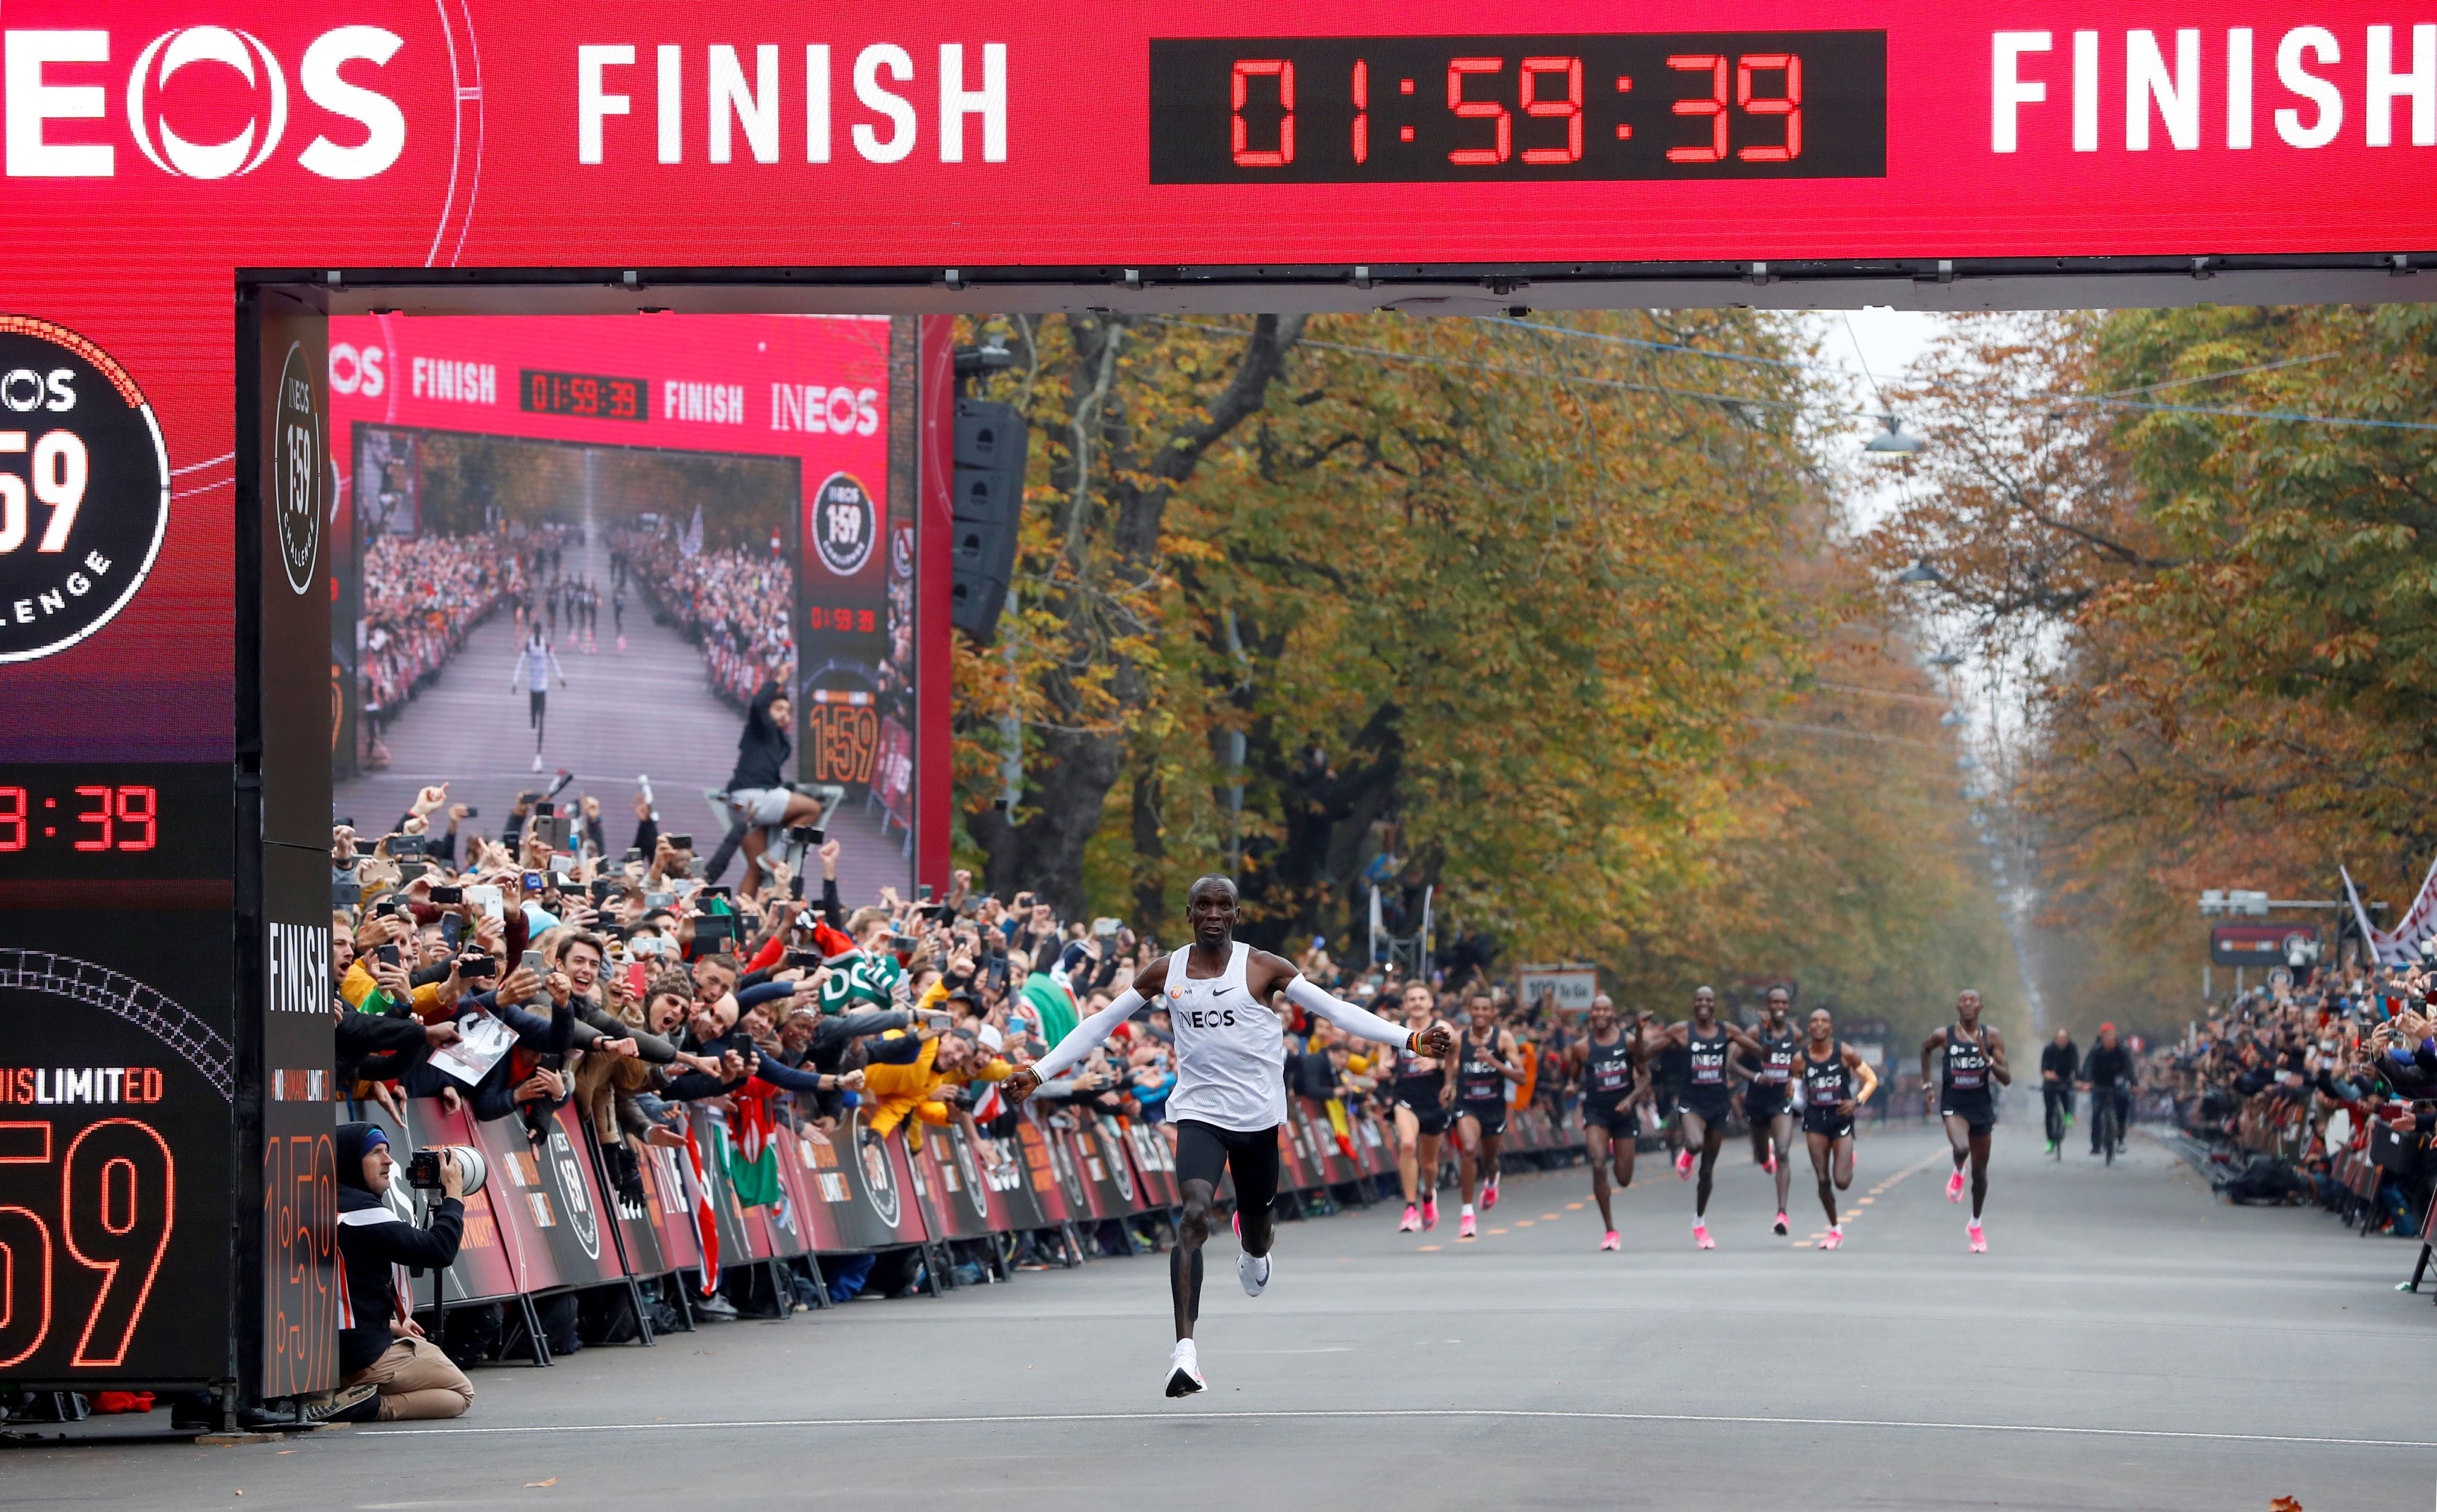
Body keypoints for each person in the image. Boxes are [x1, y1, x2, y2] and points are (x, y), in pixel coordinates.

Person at [1002, 874, 1452, 1399]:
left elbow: (1336, 1011)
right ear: (1189, 914)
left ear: (1237, 914)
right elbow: (1099, 1023)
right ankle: (1184, 1354)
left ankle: (1254, 1248)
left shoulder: (1263, 966)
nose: (1214, 914)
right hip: (1199, 1113)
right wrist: (1039, 1071)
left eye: (1224, 906)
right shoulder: (1165, 971)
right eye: (1203, 906)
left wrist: (1410, 1039)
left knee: (1258, 1233)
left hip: (1259, 1119)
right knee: (1193, 1214)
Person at [334, 1122, 476, 1421]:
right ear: (349, 1161)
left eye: (388, 1151)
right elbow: (439, 1250)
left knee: (425, 1352)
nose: (389, 1161)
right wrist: (453, 1193)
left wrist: (389, 1324)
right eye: (376, 1153)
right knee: (461, 1394)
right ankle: (365, 1405)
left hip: (331, 1348)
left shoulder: (326, 1203)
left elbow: (348, 1286)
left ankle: (352, 1394)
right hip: (364, 1355)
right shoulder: (361, 1212)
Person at [1642, 986, 1764, 1249]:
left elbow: (1758, 1051)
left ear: (1715, 1005)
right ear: (1693, 1004)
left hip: (1719, 1102)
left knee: (1707, 1171)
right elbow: (1645, 1054)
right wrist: (1641, 1029)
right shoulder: (1680, 1031)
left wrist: (1764, 1031)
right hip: (1691, 1101)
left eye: (1709, 1000)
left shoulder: (1728, 1031)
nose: (1704, 1004)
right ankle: (1686, 1157)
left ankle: (1699, 1222)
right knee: (1695, 1144)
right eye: (1700, 1000)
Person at [1921, 989, 2011, 1252]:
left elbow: (2007, 1079)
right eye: (1963, 1000)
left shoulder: (1992, 1036)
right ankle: (1958, 1170)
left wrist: (1988, 1059)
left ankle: (1975, 1223)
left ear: (1981, 1007)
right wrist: (1928, 1086)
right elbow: (1925, 1050)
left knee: (1980, 1173)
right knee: (1962, 1148)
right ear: (1958, 1007)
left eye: (1973, 1000)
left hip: (1981, 1107)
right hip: (1954, 1104)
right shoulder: (1944, 1035)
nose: (1968, 1004)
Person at [1790, 1008, 1877, 1250]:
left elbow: (1871, 1079)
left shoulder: (1845, 1053)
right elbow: (1796, 1095)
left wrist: (1857, 1101)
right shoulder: (1800, 1059)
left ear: (1831, 1028)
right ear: (1809, 1028)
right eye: (1814, 1021)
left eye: (1824, 1021)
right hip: (1816, 1121)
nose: (1819, 1025)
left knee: (1842, 1182)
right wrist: (1797, 1104)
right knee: (1822, 1178)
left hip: (1841, 1119)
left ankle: (1847, 1158)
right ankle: (1835, 1229)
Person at [1570, 993, 1647, 1252]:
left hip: (1624, 1114)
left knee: (1624, 1178)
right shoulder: (1581, 1047)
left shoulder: (1628, 1041)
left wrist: (1631, 1099)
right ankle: (1610, 1230)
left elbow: (1646, 1077)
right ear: (1590, 1015)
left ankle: (1617, 1153)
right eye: (1597, 1010)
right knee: (1598, 1163)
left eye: (1606, 1010)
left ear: (1613, 1014)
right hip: (1597, 1113)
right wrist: (1571, 1087)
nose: (1601, 1015)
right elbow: (1573, 1078)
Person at [1450, 991, 1524, 1241]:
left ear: (1493, 1013)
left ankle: (1492, 1180)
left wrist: (1494, 1062)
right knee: (1469, 1149)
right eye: (1476, 1009)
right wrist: (1447, 1083)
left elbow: (1521, 1076)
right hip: (1467, 1104)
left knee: (1490, 1160)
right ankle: (1467, 1214)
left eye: (1485, 1009)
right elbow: (1450, 1057)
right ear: (1469, 1011)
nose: (1480, 1013)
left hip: (1493, 1107)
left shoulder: (1504, 1039)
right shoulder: (1460, 1039)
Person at [1732, 986, 1800, 1235]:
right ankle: (1765, 1159)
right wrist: (1756, 1076)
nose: (1779, 1007)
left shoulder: (1796, 1034)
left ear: (1788, 1005)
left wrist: (1794, 1078)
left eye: (1783, 1002)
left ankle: (1782, 1215)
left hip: (1780, 1102)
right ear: (1768, 1006)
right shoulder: (1755, 1032)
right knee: (1764, 1157)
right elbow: (1731, 1063)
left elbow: (1800, 1064)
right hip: (1756, 1102)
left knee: (1783, 1152)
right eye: (1775, 1003)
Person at [1388, 982, 1455, 1233]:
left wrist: (1437, 1066)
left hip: (1434, 1100)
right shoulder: (1396, 1030)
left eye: (1421, 998)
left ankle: (1428, 1195)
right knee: (1407, 1145)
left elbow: (1457, 1062)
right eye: (1412, 999)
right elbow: (1386, 1058)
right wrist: (1385, 1067)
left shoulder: (1443, 1029)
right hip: (1406, 1098)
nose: (1417, 1003)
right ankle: (1410, 1208)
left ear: (1430, 1002)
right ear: (1406, 1003)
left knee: (1428, 1163)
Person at [510, 627, 566, 773]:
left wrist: (561, 677)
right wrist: (515, 682)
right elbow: (521, 663)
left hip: (541, 687)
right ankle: (535, 743)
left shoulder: (544, 645)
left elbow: (553, 660)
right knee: (534, 720)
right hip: (533, 687)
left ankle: (538, 756)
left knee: (541, 720)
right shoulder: (530, 646)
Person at [2080, 1023, 2134, 1157]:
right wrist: (2087, 1082)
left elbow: (2129, 1068)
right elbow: (2088, 1067)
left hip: (2117, 1083)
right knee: (2097, 1112)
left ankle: (2121, 1139)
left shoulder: (2122, 1051)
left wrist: (2134, 1084)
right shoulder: (2096, 1050)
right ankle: (2096, 1144)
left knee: (2123, 1103)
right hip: (2099, 1084)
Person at [2040, 1027, 2079, 1156]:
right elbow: (2044, 1067)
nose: (2062, 1041)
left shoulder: (2072, 1049)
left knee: (2067, 1094)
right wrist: (2048, 1074)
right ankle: (2050, 1141)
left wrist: (2076, 1077)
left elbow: (2075, 1064)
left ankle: (2068, 1115)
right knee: (2049, 1112)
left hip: (2065, 1079)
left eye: (2065, 1038)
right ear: (2056, 1039)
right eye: (2060, 1038)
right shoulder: (2049, 1049)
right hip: (2051, 1081)